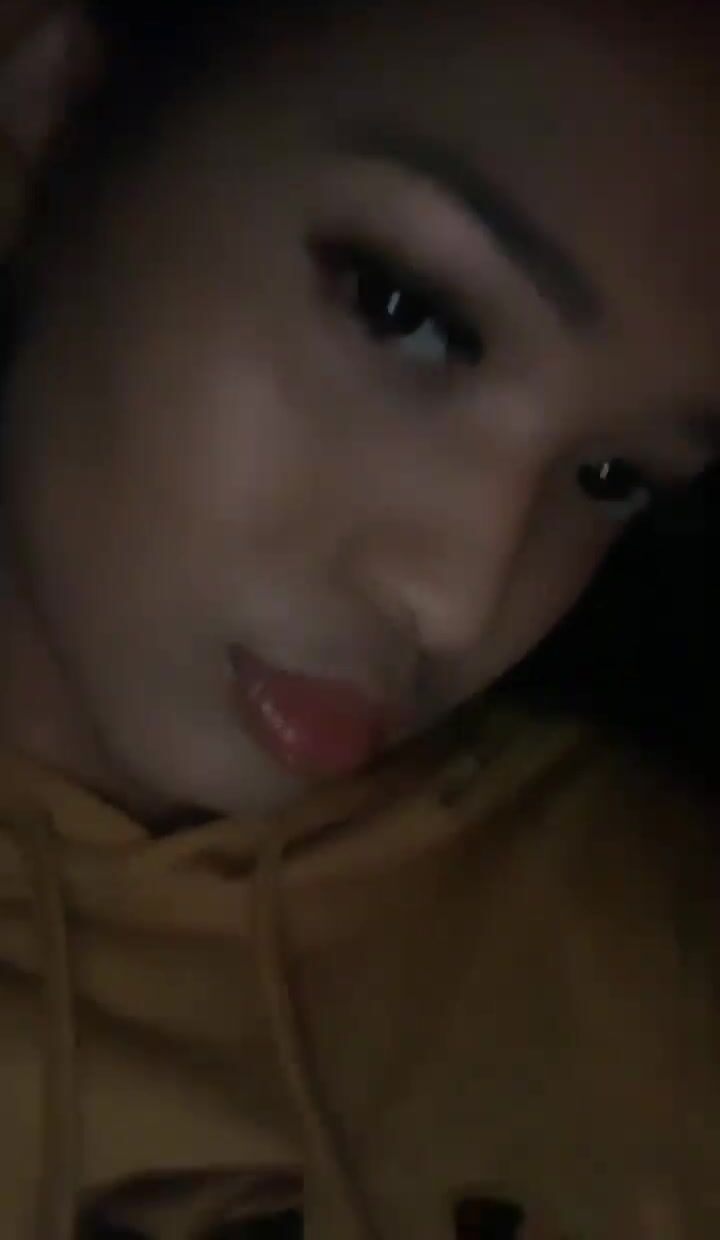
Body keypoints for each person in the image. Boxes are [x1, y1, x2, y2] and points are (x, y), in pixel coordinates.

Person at [0, 3, 717, 1238]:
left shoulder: (657, 950)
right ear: (50, 104)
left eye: (613, 477)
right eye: (404, 312)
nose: (459, 600)